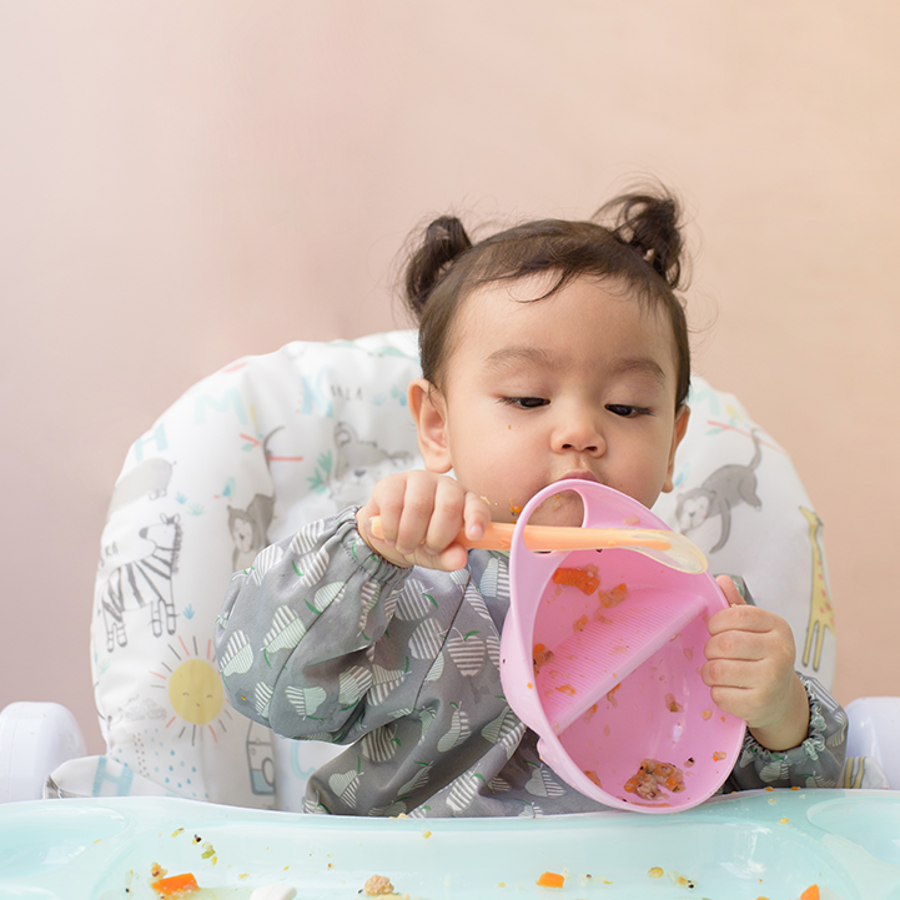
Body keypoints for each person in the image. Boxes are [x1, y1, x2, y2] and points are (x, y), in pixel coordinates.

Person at [214, 189, 846, 816]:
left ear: (673, 444)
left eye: (626, 407)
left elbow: (798, 804)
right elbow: (262, 685)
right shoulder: (415, 591)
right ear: (437, 426)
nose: (580, 431)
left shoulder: (695, 614)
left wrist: (779, 710)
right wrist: (365, 551)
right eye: (526, 399)